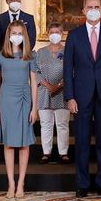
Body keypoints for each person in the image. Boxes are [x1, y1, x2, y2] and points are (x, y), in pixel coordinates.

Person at [63, 0, 101, 197]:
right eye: (89, 6)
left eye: (97, 6)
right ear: (83, 10)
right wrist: (69, 96)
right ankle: (82, 183)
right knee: (81, 141)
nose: (93, 9)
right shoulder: (74, 35)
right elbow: (67, 68)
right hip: (80, 96)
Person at [0, 21, 38, 198]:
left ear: (24, 36)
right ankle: (11, 183)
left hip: (25, 98)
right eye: (14, 33)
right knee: (9, 143)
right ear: (8, 35)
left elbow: (33, 82)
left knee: (24, 143)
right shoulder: (0, 55)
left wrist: (35, 108)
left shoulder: (30, 56)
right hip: (6, 99)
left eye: (20, 33)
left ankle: (21, 184)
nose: (17, 36)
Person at [34, 22, 71, 164]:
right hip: (44, 93)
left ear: (62, 34)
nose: (54, 34)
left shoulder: (68, 51)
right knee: (46, 124)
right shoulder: (40, 52)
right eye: (51, 32)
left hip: (62, 93)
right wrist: (48, 86)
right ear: (48, 34)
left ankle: (63, 152)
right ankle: (46, 152)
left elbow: (72, 70)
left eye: (57, 32)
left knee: (62, 124)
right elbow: (35, 71)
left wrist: (60, 85)